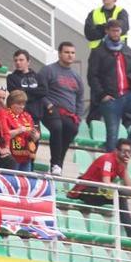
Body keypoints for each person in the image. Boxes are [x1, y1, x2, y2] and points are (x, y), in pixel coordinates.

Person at [88, 20, 131, 151]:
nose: (116, 33)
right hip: (111, 99)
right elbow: (92, 76)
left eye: (118, 30)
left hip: (128, 94)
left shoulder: (126, 49)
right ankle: (110, 167)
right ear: (107, 31)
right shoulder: (98, 51)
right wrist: (102, 95)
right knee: (112, 137)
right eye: (113, 30)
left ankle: (130, 143)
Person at [67, 138, 131, 239]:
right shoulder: (108, 160)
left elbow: (129, 184)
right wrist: (127, 191)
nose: (127, 154)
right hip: (86, 191)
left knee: (120, 197)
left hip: (101, 192)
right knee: (118, 193)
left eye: (129, 152)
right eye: (124, 151)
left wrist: (125, 167)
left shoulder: (120, 163)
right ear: (116, 151)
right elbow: (106, 182)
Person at [38, 42, 84, 175]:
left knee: (72, 129)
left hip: (69, 114)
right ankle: (56, 164)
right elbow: (39, 91)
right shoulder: (48, 70)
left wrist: (79, 117)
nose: (70, 55)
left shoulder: (76, 77)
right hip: (51, 109)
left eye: (72, 53)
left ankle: (58, 164)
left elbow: (80, 99)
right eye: (67, 52)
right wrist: (48, 104)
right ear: (59, 54)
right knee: (57, 128)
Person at [4, 90, 40, 172]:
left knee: (25, 182)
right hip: (12, 156)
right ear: (11, 104)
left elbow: (32, 134)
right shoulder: (5, 115)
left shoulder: (27, 116)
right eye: (19, 104)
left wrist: (35, 136)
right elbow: (4, 135)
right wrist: (18, 130)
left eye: (23, 104)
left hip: (26, 155)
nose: (22, 106)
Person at [6, 49, 45, 124]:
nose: (18, 62)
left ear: (28, 62)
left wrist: (24, 90)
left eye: (21, 60)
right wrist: (35, 92)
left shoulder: (38, 76)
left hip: (35, 116)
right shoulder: (11, 78)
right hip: (19, 116)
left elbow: (44, 91)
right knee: (22, 134)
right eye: (16, 60)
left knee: (35, 136)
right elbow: (16, 95)